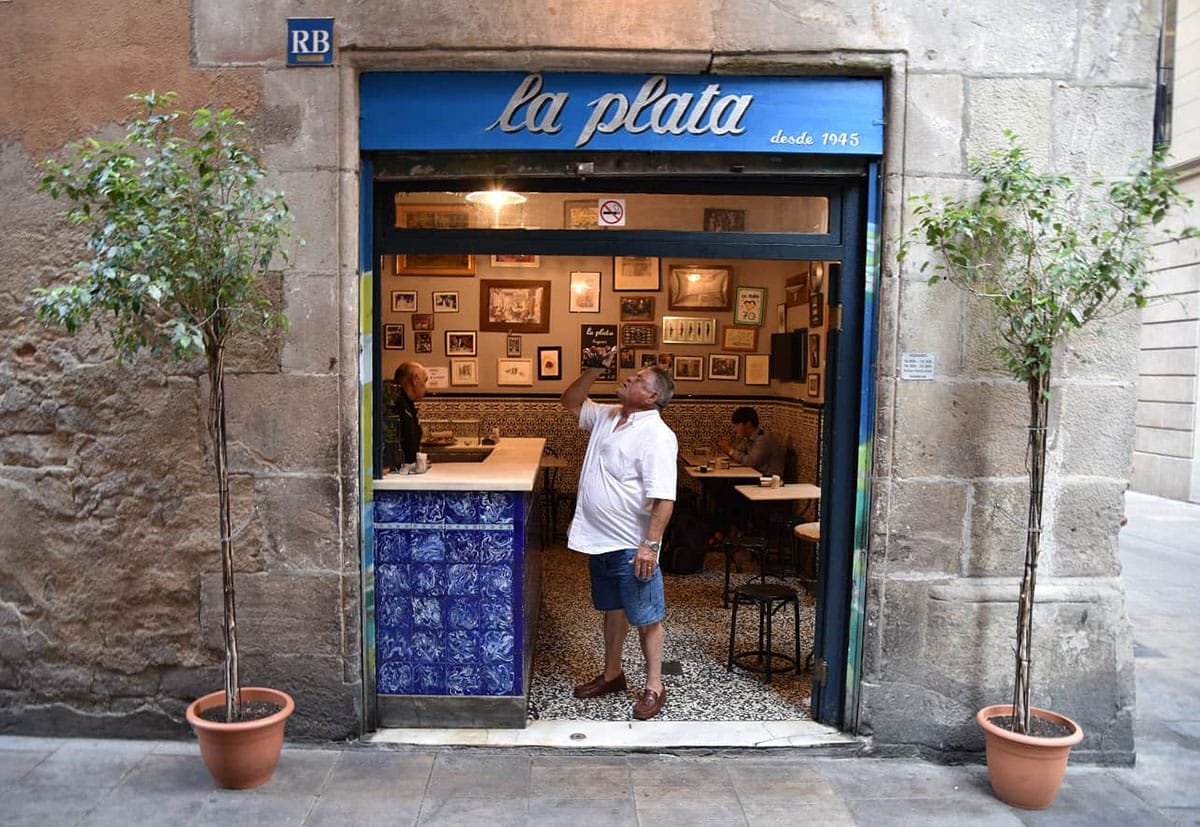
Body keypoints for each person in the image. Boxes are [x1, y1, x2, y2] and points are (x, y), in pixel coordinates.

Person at [561, 350, 678, 721]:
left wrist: (650, 545)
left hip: (633, 545)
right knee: (613, 610)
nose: (629, 378)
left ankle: (654, 686)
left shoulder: (657, 435)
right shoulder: (608, 416)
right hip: (600, 539)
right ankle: (613, 675)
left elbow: (665, 498)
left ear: (652, 396)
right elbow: (570, 401)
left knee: (647, 616)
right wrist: (593, 369)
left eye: (639, 380)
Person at [384, 361, 428, 472]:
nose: (426, 388)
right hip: (395, 473)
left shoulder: (408, 404)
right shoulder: (394, 404)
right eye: (425, 381)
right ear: (415, 379)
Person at [717, 406, 785, 477]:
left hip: (769, 479)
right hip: (756, 476)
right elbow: (739, 452)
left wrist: (730, 450)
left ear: (748, 424)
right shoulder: (748, 437)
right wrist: (728, 448)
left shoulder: (763, 438)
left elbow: (751, 462)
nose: (735, 430)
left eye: (737, 425)